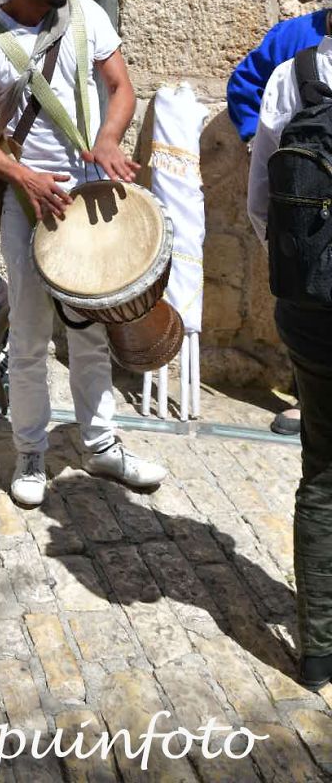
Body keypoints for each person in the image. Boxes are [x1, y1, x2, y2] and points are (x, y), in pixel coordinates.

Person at [0, 0, 167, 507]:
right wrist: (22, 175)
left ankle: (101, 446)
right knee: (29, 333)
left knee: (93, 329)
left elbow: (121, 88)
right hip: (31, 205)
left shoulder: (87, 16)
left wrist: (110, 140)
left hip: (95, 200)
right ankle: (30, 453)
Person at [247, 34, 332, 693]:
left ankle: (318, 654)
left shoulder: (292, 77)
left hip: (309, 306)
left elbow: (261, 206)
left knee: (322, 473)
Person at [228, 8, 331, 436]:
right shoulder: (291, 38)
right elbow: (245, 84)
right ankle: (305, 402)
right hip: (307, 221)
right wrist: (260, 142)